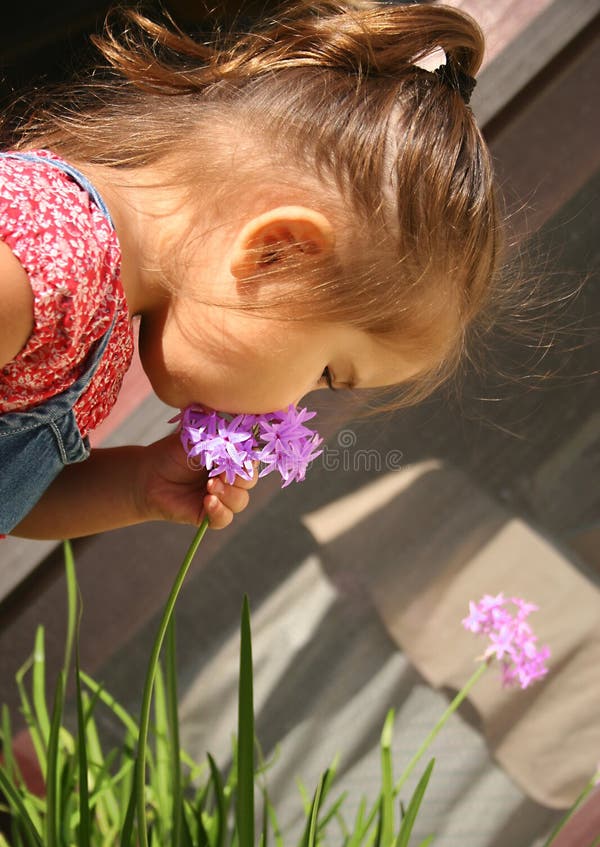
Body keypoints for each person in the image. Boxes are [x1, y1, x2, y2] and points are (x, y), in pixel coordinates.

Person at [0, 0, 500, 540]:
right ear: (276, 256)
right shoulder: (49, 270)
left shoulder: (93, 303)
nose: (285, 409)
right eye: (325, 375)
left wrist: (136, 486)